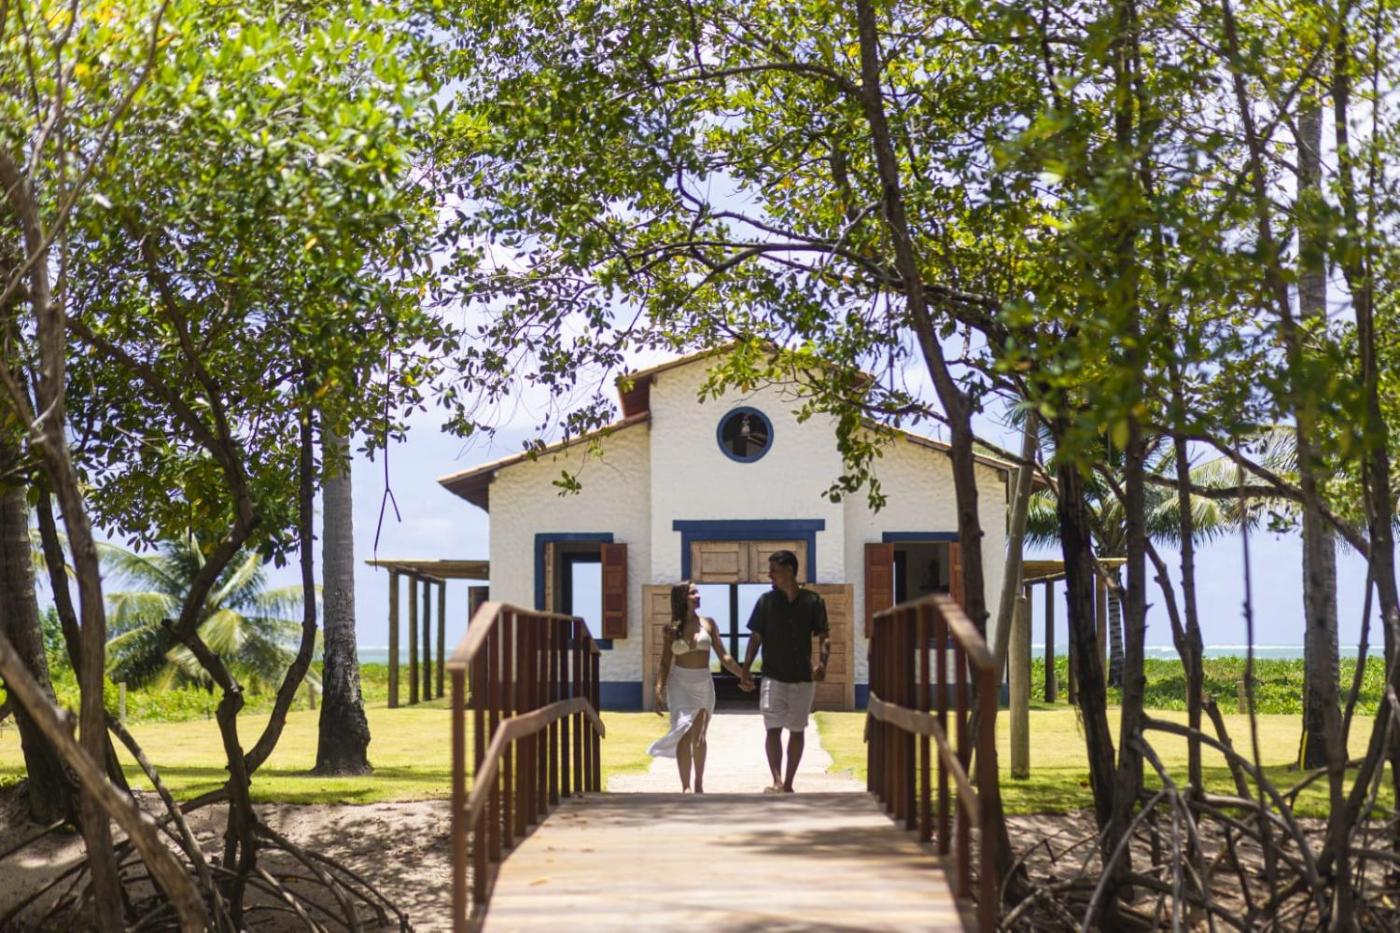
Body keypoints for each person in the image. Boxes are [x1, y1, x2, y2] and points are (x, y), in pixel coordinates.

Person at [740, 550, 829, 793]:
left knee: (797, 729)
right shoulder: (766, 602)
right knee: (773, 728)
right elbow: (755, 638)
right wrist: (745, 670)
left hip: (802, 678)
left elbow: (824, 636)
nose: (770, 575)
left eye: (774, 571)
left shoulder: (813, 601)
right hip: (772, 676)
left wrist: (823, 664)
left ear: (789, 571)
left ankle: (789, 782)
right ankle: (777, 780)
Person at [648, 581, 747, 793]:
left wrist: (743, 675)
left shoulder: (709, 624)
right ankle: (685, 786)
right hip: (679, 684)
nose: (698, 595)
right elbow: (665, 662)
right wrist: (658, 688)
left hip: (703, 682)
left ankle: (699, 782)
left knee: (700, 734)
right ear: (682, 598)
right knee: (683, 732)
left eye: (697, 592)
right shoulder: (671, 629)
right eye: (693, 593)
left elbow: (724, 656)